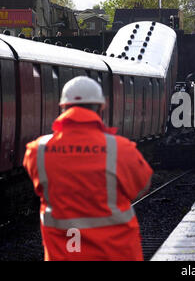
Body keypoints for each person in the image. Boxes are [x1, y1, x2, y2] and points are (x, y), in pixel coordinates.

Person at [23, 76, 153, 261]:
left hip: (64, 255)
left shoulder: (37, 151)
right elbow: (142, 187)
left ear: (62, 107)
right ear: (101, 108)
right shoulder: (121, 149)